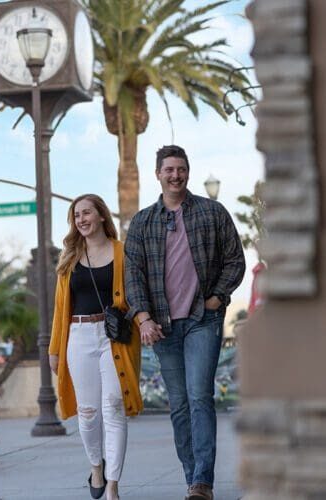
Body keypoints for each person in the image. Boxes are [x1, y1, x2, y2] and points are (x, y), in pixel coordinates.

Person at [124, 145, 245, 500]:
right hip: (161, 326)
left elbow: (234, 261)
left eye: (181, 169)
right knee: (178, 404)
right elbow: (133, 276)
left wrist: (217, 298)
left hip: (201, 321)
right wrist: (143, 318)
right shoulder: (143, 222)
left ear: (187, 173)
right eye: (169, 170)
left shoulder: (212, 212)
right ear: (158, 174)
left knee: (199, 397)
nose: (175, 175)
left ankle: (202, 483)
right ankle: (192, 476)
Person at [49, 194, 143, 500]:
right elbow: (60, 308)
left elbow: (135, 295)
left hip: (112, 336)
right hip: (77, 335)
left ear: (101, 216)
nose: (81, 220)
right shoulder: (70, 257)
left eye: (86, 213)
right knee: (88, 412)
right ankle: (96, 468)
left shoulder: (122, 252)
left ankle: (113, 484)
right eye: (76, 216)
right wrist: (54, 349)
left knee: (113, 405)